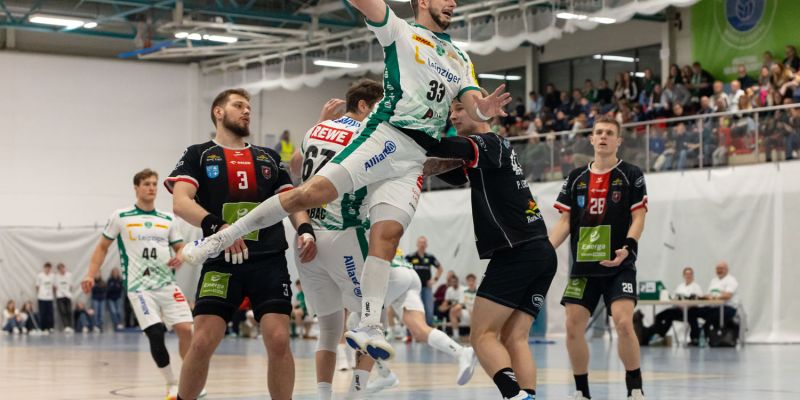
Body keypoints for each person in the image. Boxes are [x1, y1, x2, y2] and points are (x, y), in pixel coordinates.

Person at [180, 0, 510, 362]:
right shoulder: (401, 32)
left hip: (416, 156)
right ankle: (220, 238)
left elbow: (474, 104)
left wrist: (485, 109)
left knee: (387, 235)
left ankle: (369, 324)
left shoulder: (459, 57)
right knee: (310, 193)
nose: (453, 3)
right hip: (386, 137)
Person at [166, 88, 317, 400]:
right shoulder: (198, 154)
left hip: (269, 260)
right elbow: (181, 202)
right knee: (202, 341)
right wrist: (220, 229)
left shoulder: (268, 157)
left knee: (279, 340)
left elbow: (291, 201)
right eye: (238, 105)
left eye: (249, 106)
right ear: (218, 112)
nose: (247, 111)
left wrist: (305, 229)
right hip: (222, 260)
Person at [426, 95, 557, 400]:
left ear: (480, 109)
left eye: (459, 108)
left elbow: (441, 147)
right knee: (514, 338)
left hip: (517, 252)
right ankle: (527, 396)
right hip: (540, 251)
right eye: (452, 111)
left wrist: (405, 129)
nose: (453, 116)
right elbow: (450, 172)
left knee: (482, 336)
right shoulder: (492, 150)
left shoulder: (487, 142)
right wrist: (409, 166)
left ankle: (514, 396)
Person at [549, 115, 648, 400]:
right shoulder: (575, 178)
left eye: (609, 133)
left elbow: (639, 217)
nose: (603, 136)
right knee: (572, 326)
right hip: (583, 267)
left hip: (619, 265)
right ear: (591, 139)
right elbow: (565, 222)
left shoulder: (631, 174)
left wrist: (628, 246)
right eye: (599, 132)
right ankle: (581, 391)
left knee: (624, 323)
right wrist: (544, 250)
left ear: (618, 141)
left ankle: (635, 387)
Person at [82, 168, 194, 400]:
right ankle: (172, 383)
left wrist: (180, 256)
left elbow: (180, 248)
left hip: (167, 284)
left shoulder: (167, 219)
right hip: (139, 288)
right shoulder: (121, 217)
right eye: (146, 184)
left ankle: (191, 381)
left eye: (154, 184)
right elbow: (102, 247)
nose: (152, 188)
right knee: (155, 332)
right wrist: (90, 275)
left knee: (187, 330)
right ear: (136, 188)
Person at [353, 251, 478, 395]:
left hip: (390, 273)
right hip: (409, 273)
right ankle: (462, 352)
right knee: (420, 330)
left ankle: (363, 385)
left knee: (360, 326)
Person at [633, 266, 704, 345]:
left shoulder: (696, 287)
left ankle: (694, 338)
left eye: (690, 274)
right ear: (684, 275)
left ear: (692, 275)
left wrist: (687, 303)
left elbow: (699, 299)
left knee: (685, 316)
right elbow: (673, 298)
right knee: (660, 316)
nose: (688, 276)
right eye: (686, 274)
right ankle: (656, 334)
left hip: (690, 310)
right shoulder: (680, 286)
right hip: (678, 309)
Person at [687, 261, 739, 346]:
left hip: (728, 308)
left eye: (721, 268)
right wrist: (703, 297)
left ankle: (702, 336)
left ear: (727, 270)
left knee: (711, 316)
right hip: (713, 307)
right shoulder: (714, 280)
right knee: (691, 311)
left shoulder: (731, 280)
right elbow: (709, 295)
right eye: (717, 269)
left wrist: (715, 297)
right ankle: (695, 337)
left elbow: (728, 295)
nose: (719, 270)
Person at [406, 236, 443, 326]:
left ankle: (429, 329)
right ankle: (413, 329)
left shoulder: (430, 257)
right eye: (420, 242)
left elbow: (440, 268)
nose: (422, 245)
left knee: (429, 309)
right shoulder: (410, 257)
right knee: (415, 308)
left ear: (426, 245)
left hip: (427, 288)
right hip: (414, 288)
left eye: (424, 243)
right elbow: (403, 268)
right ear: (417, 244)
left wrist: (434, 280)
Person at [35, 262, 55, 333]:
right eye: (46, 268)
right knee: (43, 313)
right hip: (42, 297)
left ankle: (50, 327)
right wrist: (41, 293)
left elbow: (53, 286)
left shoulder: (52, 276)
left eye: (49, 268)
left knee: (50, 313)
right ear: (44, 268)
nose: (48, 269)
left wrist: (51, 293)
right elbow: (37, 286)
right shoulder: (40, 275)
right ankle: (43, 327)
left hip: (49, 297)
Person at [54, 263, 74, 333]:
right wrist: (58, 293)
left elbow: (71, 285)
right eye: (60, 269)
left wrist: (68, 292)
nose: (62, 270)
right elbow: (55, 286)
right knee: (63, 311)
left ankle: (70, 326)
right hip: (60, 296)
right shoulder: (56, 276)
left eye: (62, 268)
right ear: (58, 270)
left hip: (67, 295)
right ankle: (66, 326)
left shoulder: (69, 275)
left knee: (69, 311)